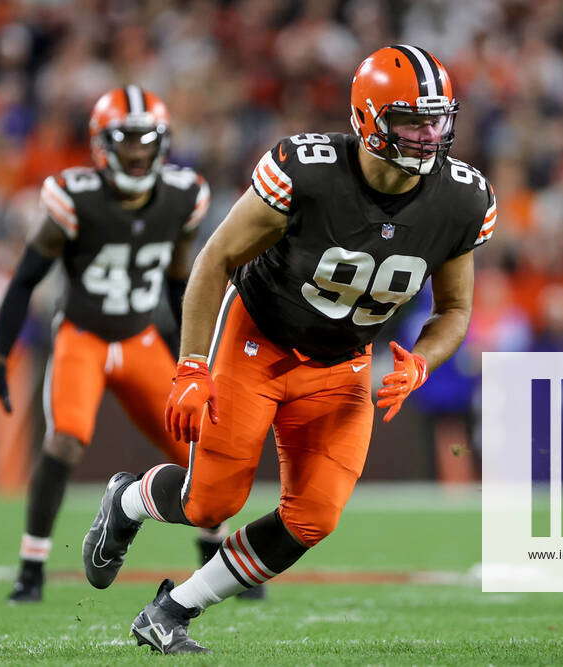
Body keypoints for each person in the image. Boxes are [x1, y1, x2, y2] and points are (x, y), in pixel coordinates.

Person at [82, 45, 497, 654]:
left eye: (437, 119)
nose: (429, 134)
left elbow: (454, 309)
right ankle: (128, 498)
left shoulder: (461, 199)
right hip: (259, 340)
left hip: (345, 362)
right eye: (412, 119)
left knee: (314, 517)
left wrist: (423, 360)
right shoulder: (307, 170)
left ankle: (172, 611)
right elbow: (216, 259)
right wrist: (193, 365)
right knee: (209, 504)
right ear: (368, 119)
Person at [0, 86, 220, 603]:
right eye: (126, 141)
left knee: (205, 444)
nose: (136, 153)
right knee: (65, 439)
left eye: (145, 141)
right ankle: (32, 565)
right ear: (101, 145)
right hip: (83, 336)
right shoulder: (76, 197)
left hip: (140, 338)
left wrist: (193, 358)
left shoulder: (183, 196)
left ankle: (214, 557)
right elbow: (23, 280)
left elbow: (181, 284)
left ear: (163, 144)